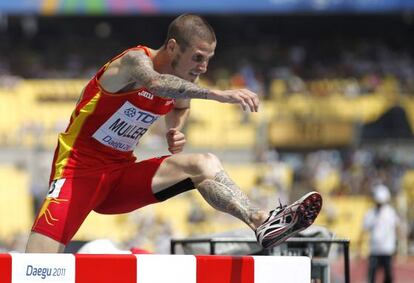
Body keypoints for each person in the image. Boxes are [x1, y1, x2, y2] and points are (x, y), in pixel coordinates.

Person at [25, 14, 322, 253]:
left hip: (120, 176)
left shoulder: (181, 78)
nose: (203, 67)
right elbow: (156, 85)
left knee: (203, 163)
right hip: (79, 173)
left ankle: (262, 222)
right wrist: (217, 94)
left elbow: (180, 105)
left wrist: (174, 129)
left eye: (209, 59)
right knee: (37, 265)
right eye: (197, 58)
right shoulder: (133, 62)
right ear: (171, 47)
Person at [359, 184, 400, 283]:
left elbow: (397, 227)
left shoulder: (390, 212)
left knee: (388, 276)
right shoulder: (370, 213)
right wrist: (360, 247)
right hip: (374, 250)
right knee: (371, 277)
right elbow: (364, 229)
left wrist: (397, 245)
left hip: (387, 249)